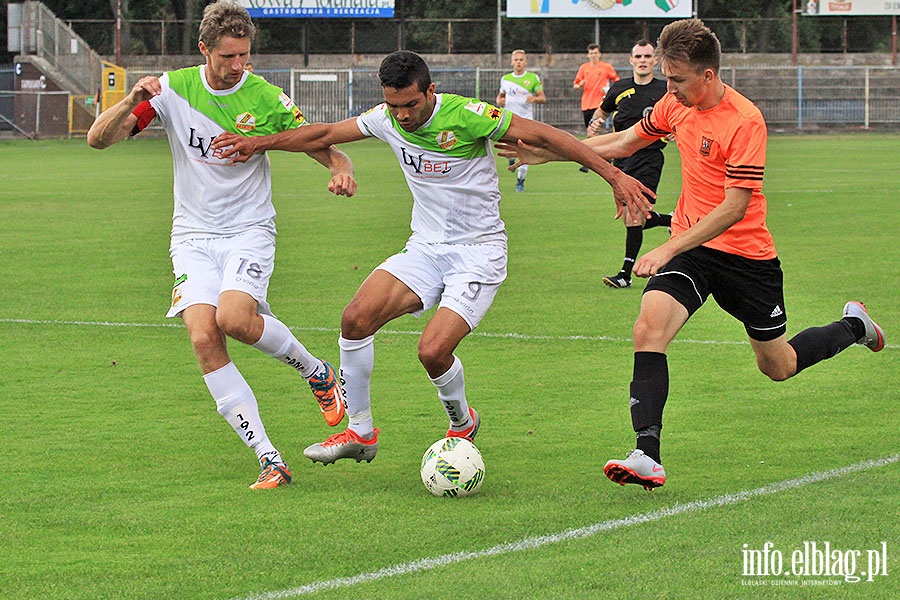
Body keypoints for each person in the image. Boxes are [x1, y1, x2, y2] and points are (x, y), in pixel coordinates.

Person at [212, 50, 654, 467]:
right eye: (393, 105)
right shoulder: (386, 119)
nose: (401, 115)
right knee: (355, 320)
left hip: (478, 252)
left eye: (409, 104)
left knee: (432, 351)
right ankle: (361, 434)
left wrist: (614, 175)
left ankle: (462, 422)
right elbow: (324, 134)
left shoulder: (467, 115)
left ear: (430, 90)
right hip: (425, 248)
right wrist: (260, 143)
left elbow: (547, 135)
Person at [499, 19, 885, 491]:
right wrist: (554, 154)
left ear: (707, 75)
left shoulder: (745, 121)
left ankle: (853, 326)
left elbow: (734, 208)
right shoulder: (674, 104)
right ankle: (646, 454)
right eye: (667, 77)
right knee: (649, 327)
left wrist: (667, 246)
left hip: (745, 256)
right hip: (691, 247)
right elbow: (623, 142)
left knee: (777, 365)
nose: (670, 88)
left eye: (677, 79)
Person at [86, 0, 356, 490]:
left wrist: (340, 167)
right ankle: (269, 458)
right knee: (203, 337)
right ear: (204, 49)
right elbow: (99, 140)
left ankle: (317, 373)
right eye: (228, 57)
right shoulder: (173, 90)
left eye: (245, 56)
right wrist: (129, 100)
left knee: (234, 320)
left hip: (249, 230)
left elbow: (319, 142)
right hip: (191, 236)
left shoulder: (264, 96)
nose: (238, 67)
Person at [588, 39, 672, 289]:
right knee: (633, 218)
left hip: (649, 158)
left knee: (634, 217)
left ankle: (625, 274)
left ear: (655, 60)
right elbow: (601, 112)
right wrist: (595, 125)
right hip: (621, 160)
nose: (643, 61)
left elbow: (679, 116)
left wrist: (673, 131)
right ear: (631, 60)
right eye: (639, 57)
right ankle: (670, 220)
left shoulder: (664, 90)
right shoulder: (619, 88)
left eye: (648, 56)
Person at [496, 49, 546, 192]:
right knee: (507, 147)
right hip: (509, 120)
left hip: (525, 121)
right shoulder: (505, 79)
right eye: (516, 60)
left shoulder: (532, 78)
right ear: (512, 62)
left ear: (525, 62)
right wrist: (500, 101)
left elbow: (542, 98)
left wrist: (535, 98)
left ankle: (520, 181)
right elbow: (500, 98)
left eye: (521, 60)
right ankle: (511, 158)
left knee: (526, 151)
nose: (518, 62)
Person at [573, 43, 619, 172]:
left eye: (595, 53)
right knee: (591, 134)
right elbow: (575, 85)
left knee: (593, 132)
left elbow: (617, 81)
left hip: (599, 105)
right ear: (588, 55)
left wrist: (608, 91)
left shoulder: (606, 67)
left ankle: (589, 162)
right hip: (586, 104)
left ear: (599, 54)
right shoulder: (584, 68)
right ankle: (605, 158)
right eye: (591, 53)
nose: (593, 55)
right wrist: (580, 84)